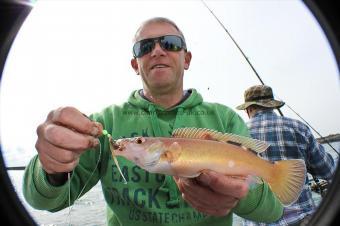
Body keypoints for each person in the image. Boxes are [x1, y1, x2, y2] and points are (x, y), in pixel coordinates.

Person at [23, 17, 284, 226]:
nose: (157, 51)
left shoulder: (225, 119)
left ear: (187, 58)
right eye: (145, 47)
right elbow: (43, 201)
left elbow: (273, 212)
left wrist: (239, 195)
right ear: (135, 64)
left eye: (170, 43)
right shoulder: (103, 123)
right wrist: (52, 169)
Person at [236, 84, 335, 226]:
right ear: (272, 105)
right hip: (304, 219)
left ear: (248, 109)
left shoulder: (238, 135)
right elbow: (328, 170)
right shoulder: (298, 128)